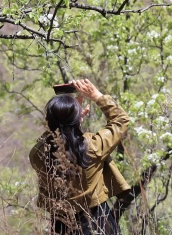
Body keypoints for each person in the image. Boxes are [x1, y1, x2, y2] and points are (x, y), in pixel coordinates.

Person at [29, 79, 131, 235]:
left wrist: (68, 119)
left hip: (61, 226)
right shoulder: (93, 146)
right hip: (99, 221)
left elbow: (51, 139)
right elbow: (121, 120)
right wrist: (96, 95)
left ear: (47, 122)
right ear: (78, 119)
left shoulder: (37, 154)